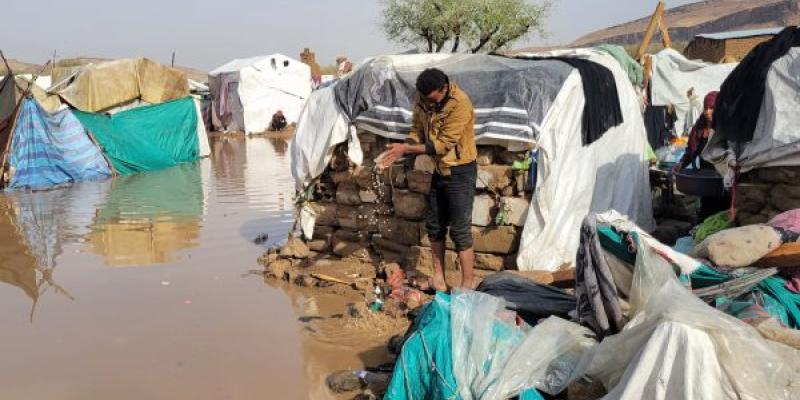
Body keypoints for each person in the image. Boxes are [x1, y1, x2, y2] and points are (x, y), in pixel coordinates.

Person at [379, 68, 477, 291]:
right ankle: (439, 280)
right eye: (424, 98)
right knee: (434, 226)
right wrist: (406, 144)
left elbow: (442, 145)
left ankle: (467, 286)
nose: (427, 103)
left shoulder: (460, 103)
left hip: (460, 170)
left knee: (460, 230)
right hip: (440, 170)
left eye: (431, 98)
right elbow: (416, 128)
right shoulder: (423, 97)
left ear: (444, 88)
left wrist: (406, 149)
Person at [672, 91, 729, 220]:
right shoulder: (700, 126)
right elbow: (692, 150)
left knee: (722, 207)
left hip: (723, 175)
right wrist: (682, 163)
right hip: (706, 177)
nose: (707, 112)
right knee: (707, 208)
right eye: (706, 108)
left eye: (712, 108)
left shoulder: (725, 127)